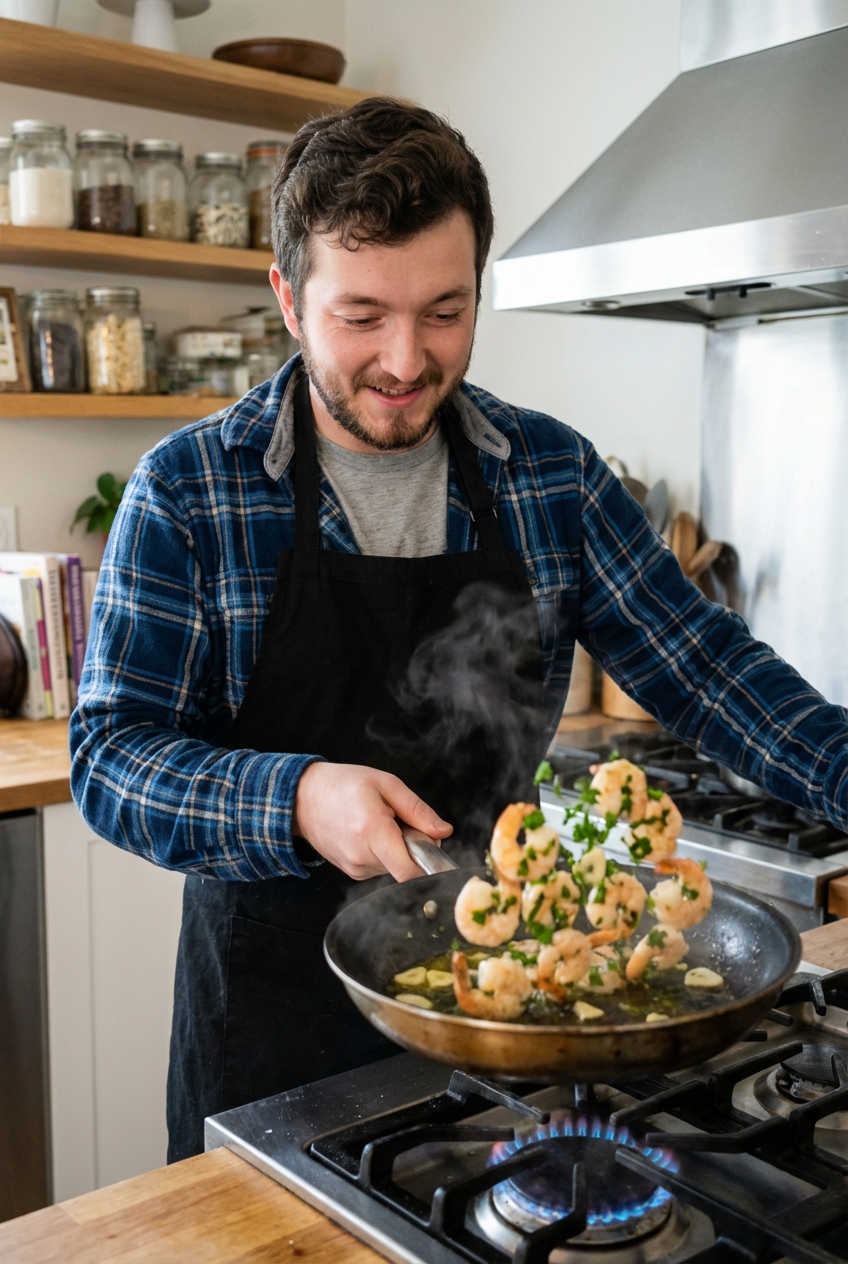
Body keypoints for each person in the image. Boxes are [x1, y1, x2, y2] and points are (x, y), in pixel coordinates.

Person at [70, 98, 847, 1162]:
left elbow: (708, 673)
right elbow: (109, 758)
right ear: (288, 301)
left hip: (507, 1014)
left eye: (444, 309)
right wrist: (297, 794)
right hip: (266, 1042)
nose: (405, 359)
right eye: (361, 316)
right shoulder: (190, 492)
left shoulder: (549, 476)